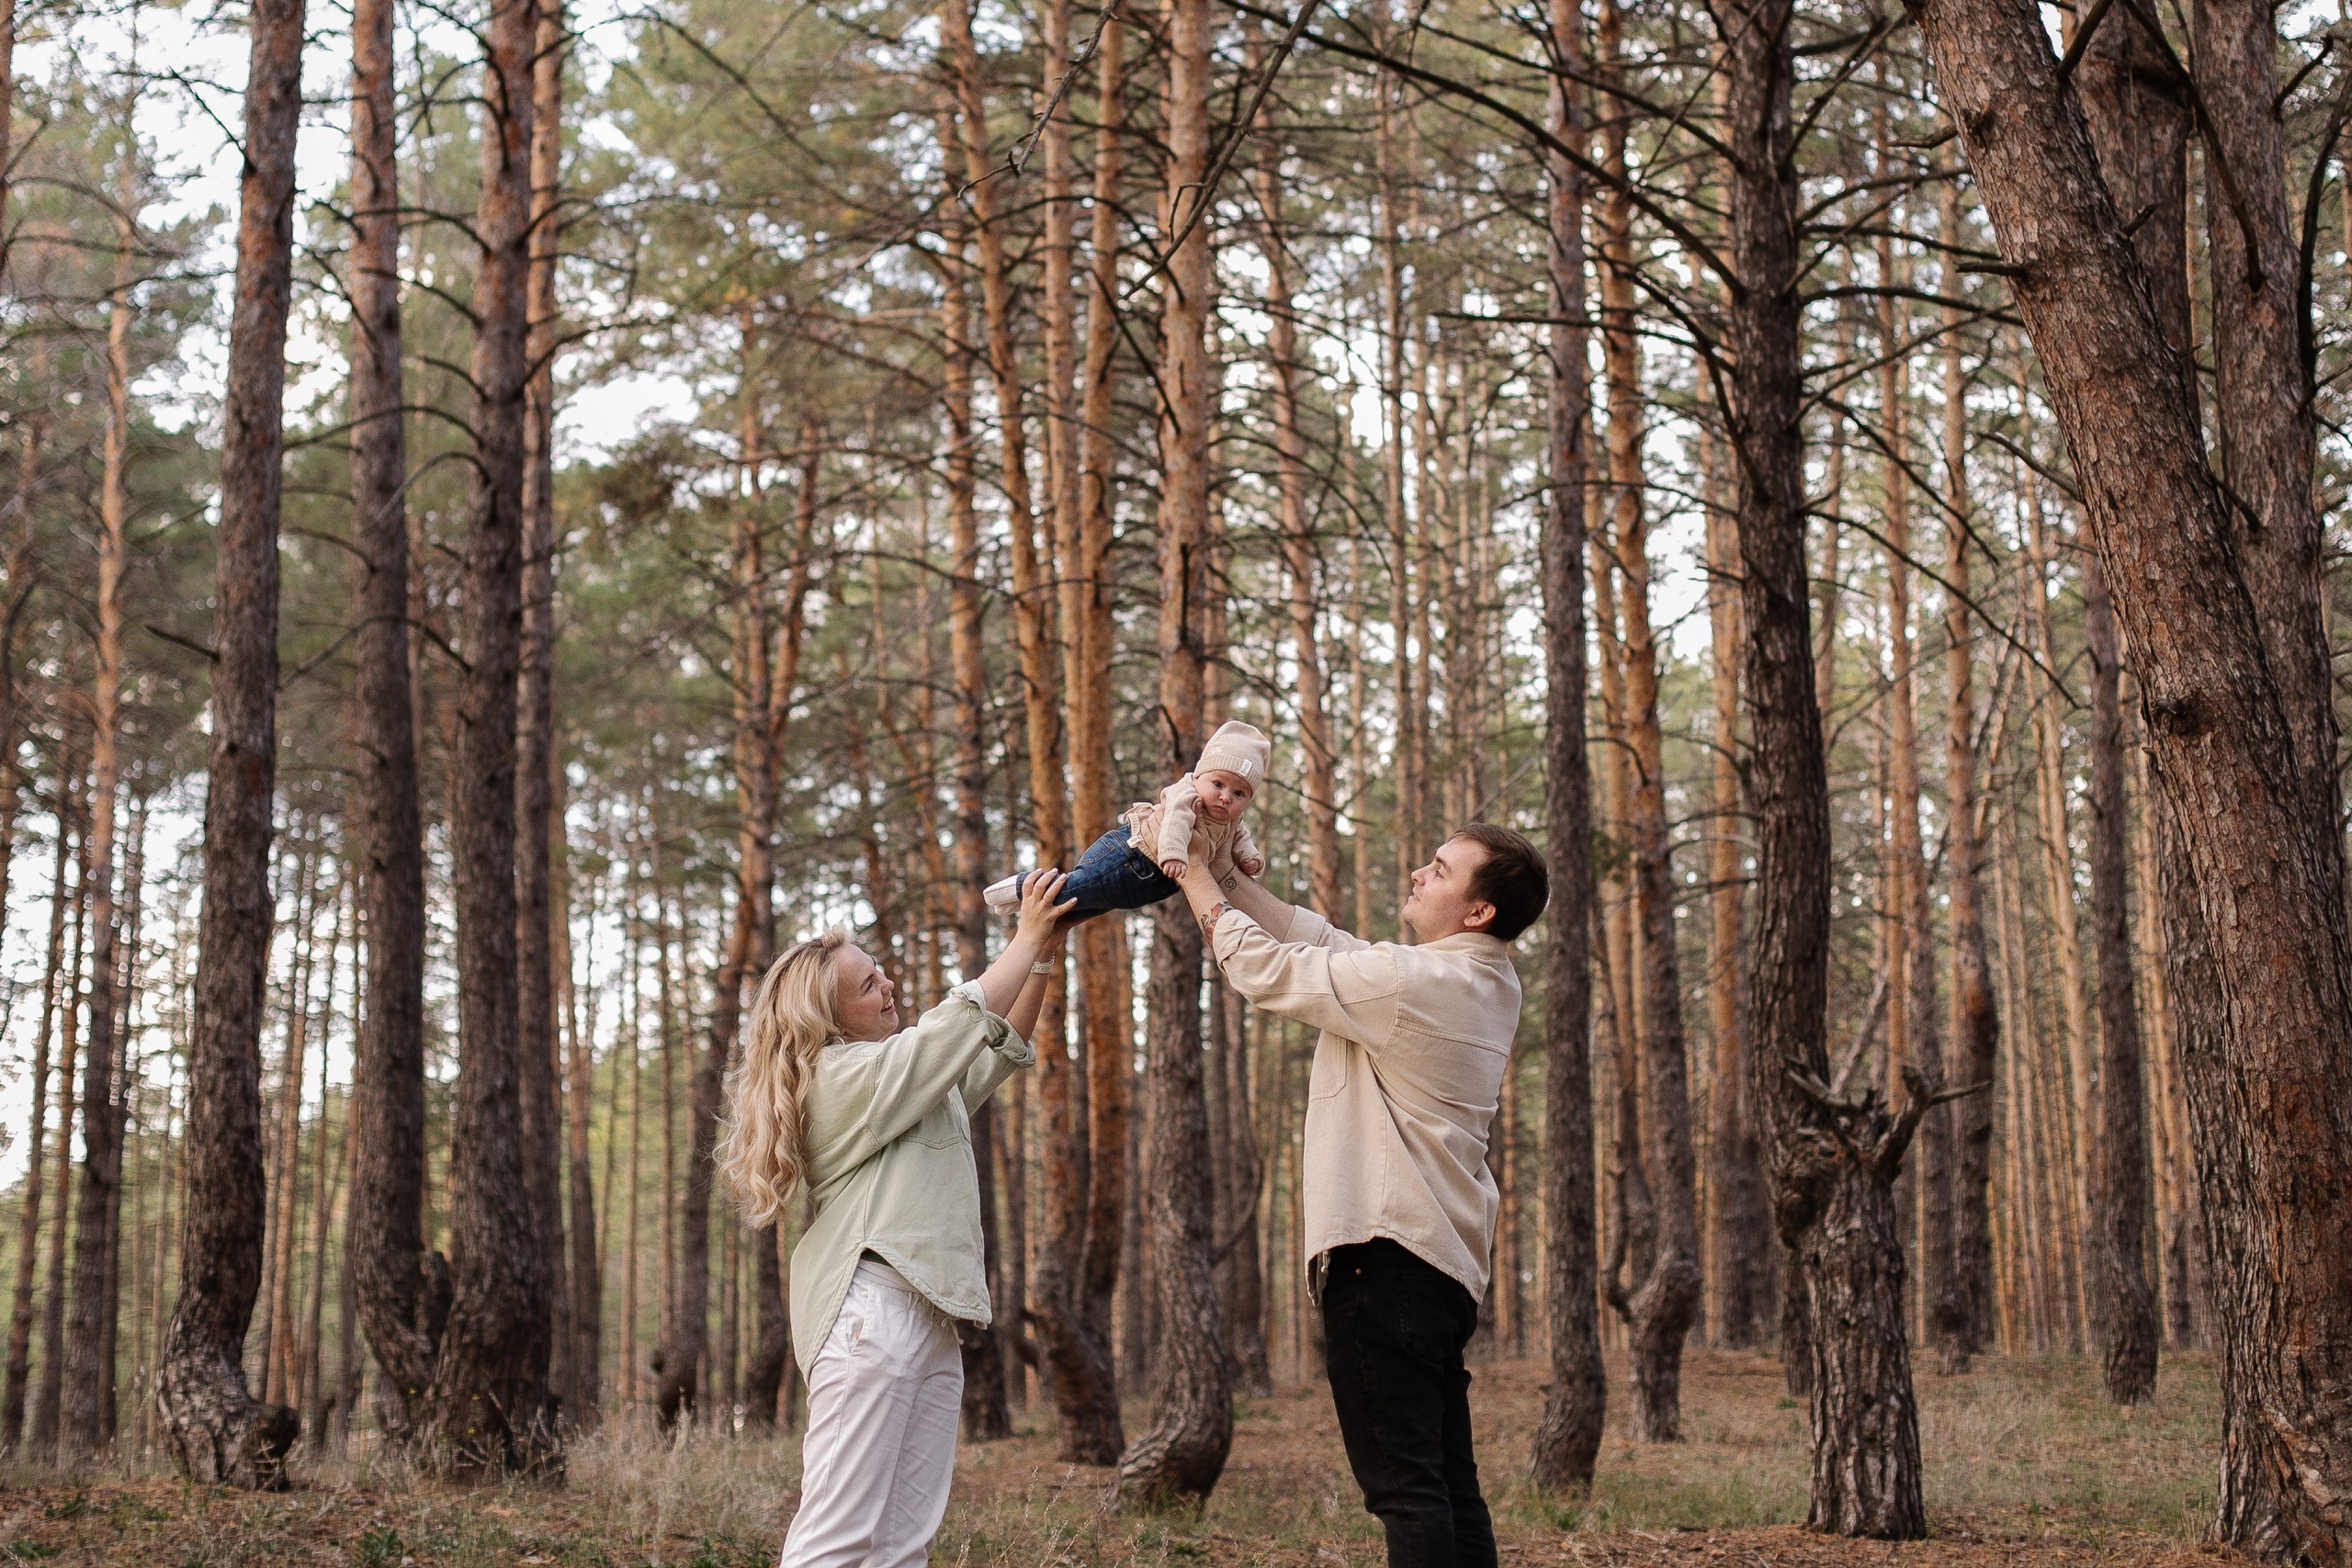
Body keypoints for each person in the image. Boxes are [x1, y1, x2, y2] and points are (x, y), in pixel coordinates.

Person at [1169, 823, 1552, 1568]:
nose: (1417, 871)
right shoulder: (1483, 978)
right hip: (1434, 1266)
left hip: (1383, 1262)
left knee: (1406, 1491)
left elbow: (1265, 966)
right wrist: (1227, 872)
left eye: (1439, 870)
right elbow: (1326, 944)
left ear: (1476, 912)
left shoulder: (1415, 985)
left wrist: (1188, 872)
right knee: (1446, 1485)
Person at [718, 870, 1075, 1568]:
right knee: (835, 1541)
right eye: (868, 985)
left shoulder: (903, 1082)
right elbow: (949, 1030)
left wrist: (1040, 952)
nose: (889, 987)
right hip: (869, 1316)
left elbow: (994, 1045)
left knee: (902, 1546)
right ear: (827, 1017)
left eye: (880, 973)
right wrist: (1026, 934)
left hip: (928, 1319)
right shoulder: (836, 1080)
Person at [982, 718, 1269, 925]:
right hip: (1131, 856)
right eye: (1218, 784)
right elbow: (1176, 821)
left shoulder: (1231, 819)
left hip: (1153, 881)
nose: (1226, 797)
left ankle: (1034, 913)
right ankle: (1023, 887)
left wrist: (1250, 857)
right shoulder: (1188, 794)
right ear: (1198, 777)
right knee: (1081, 888)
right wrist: (1173, 852)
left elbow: (1240, 838)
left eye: (1239, 793)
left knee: (1080, 905)